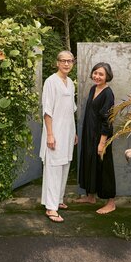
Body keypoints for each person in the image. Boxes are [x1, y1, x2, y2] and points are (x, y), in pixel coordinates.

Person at [40, 50, 78, 223]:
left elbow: (71, 110)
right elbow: (47, 111)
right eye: (63, 61)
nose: (66, 64)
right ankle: (50, 207)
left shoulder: (70, 83)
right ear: (57, 63)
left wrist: (74, 132)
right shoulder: (51, 82)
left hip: (68, 132)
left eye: (70, 61)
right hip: (54, 132)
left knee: (64, 166)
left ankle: (58, 200)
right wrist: (49, 134)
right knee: (53, 168)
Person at [77, 62, 116, 214]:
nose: (97, 76)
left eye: (101, 74)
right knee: (89, 164)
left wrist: (102, 142)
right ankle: (90, 196)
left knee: (104, 167)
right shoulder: (94, 88)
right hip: (89, 135)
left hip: (101, 137)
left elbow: (108, 119)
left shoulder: (108, 93)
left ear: (107, 77)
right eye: (95, 73)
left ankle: (111, 203)